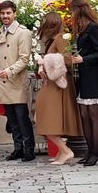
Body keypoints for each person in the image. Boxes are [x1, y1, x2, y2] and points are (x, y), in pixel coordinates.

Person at [34, 12, 81, 165]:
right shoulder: (53, 39)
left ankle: (66, 151)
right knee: (45, 119)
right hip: (51, 85)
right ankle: (63, 152)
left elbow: (67, 60)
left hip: (57, 86)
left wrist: (44, 61)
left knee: (47, 120)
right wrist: (42, 66)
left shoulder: (60, 39)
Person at [0, 0, 36, 162]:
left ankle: (29, 149)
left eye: (8, 13)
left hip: (16, 81)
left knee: (22, 118)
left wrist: (9, 71)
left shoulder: (22, 32)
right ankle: (18, 148)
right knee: (11, 118)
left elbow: (24, 59)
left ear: (14, 13)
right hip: (3, 82)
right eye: (3, 13)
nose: (5, 16)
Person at [71, 0, 98, 166]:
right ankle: (89, 151)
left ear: (78, 10)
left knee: (93, 115)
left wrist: (82, 59)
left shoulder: (93, 28)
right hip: (83, 77)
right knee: (84, 115)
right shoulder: (81, 29)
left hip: (93, 77)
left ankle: (96, 152)